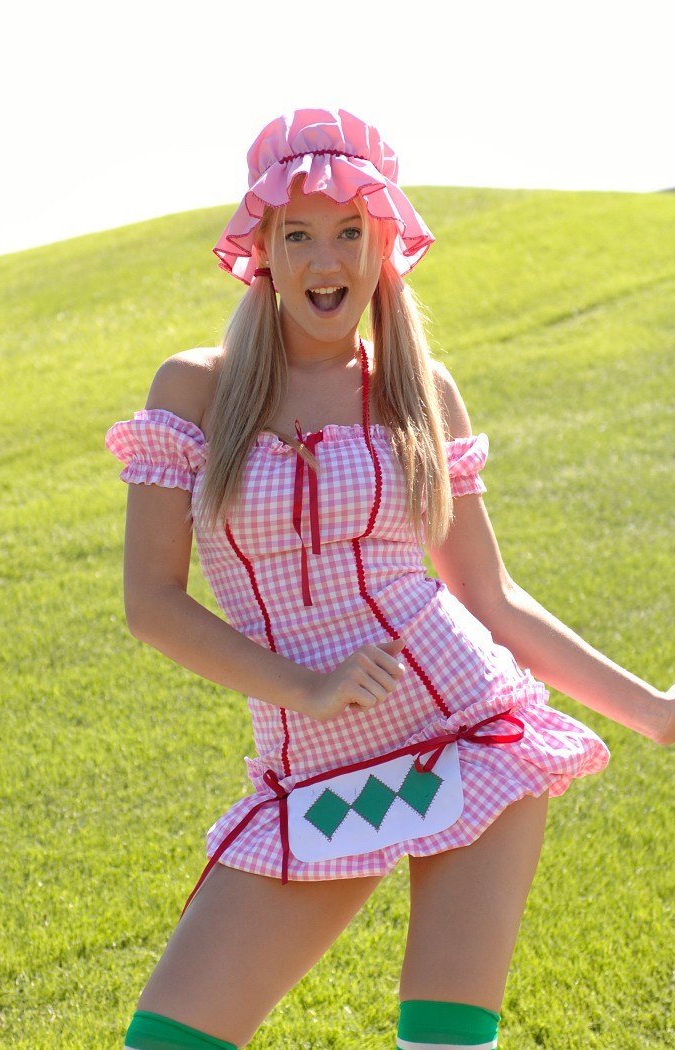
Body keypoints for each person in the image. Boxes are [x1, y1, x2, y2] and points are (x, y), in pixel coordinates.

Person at [106, 107, 673, 1050]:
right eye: (298, 235)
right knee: (168, 1042)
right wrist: (306, 687)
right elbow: (151, 603)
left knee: (443, 1042)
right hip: (312, 771)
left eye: (349, 232)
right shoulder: (195, 390)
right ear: (261, 251)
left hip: (468, 735)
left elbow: (489, 598)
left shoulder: (420, 390)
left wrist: (656, 713)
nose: (325, 261)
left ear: (384, 245)